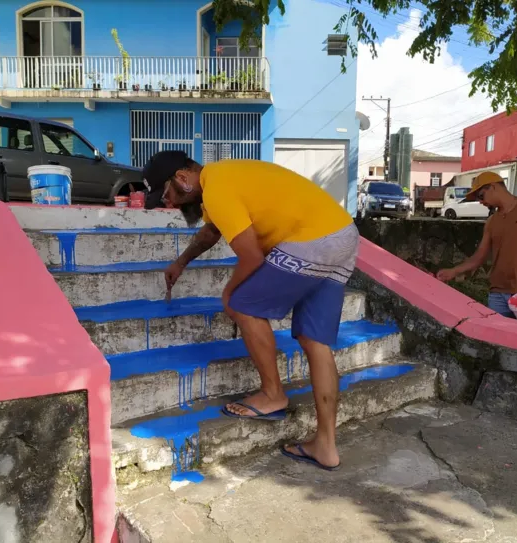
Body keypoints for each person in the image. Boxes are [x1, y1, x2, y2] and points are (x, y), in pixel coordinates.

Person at [142, 151, 359, 471]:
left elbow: (251, 256)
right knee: (314, 339)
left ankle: (273, 394)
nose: (170, 202)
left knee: (242, 304)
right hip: (343, 234)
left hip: (311, 240)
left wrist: (230, 293)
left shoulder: (216, 189)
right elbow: (211, 232)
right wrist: (181, 262)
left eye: (168, 193)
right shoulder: (222, 178)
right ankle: (326, 446)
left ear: (183, 178)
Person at [436, 171, 517, 317]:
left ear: (493, 187)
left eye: (481, 196)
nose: (481, 202)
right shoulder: (492, 222)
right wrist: (454, 271)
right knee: (498, 339)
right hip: (498, 294)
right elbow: (479, 256)